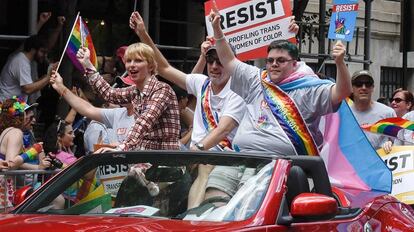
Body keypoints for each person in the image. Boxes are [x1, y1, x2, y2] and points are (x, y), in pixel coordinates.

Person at [209, 9, 351, 156]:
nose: (274, 64)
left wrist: (340, 63)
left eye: (281, 60)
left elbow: (342, 92)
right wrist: (217, 30)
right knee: (213, 180)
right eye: (270, 60)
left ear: (294, 64)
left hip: (280, 166)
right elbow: (228, 60)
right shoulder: (257, 79)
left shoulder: (307, 88)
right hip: (241, 158)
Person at [51, 42, 180, 151]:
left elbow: (144, 122)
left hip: (166, 165)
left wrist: (122, 146)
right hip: (145, 164)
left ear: (151, 66)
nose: (131, 65)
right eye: (128, 61)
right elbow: (108, 93)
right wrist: (87, 64)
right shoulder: (135, 92)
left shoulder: (162, 90)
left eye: (138, 60)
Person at [349, 70, 396, 149]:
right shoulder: (344, 114)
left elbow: (398, 141)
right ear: (352, 88)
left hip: (380, 160)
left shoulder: (387, 113)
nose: (363, 88)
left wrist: (390, 143)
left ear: (372, 87)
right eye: (358, 84)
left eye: (368, 84)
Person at [0, 35, 51, 103]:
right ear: (33, 50)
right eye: (42, 52)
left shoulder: (23, 59)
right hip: (6, 107)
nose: (45, 55)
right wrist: (48, 77)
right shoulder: (21, 62)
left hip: (12, 105)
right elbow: (28, 89)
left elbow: (29, 86)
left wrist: (46, 77)